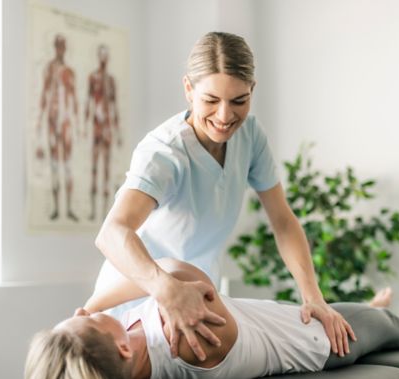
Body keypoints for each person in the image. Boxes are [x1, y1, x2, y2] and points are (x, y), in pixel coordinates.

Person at [91, 31, 356, 363]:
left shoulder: (251, 136)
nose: (225, 116)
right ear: (189, 89)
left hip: (198, 297)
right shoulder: (164, 152)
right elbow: (112, 233)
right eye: (210, 100)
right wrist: (166, 290)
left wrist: (313, 297)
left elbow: (283, 221)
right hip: (139, 300)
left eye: (239, 101)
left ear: (252, 91)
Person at [25, 258, 399, 379]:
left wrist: (92, 314)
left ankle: (370, 306)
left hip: (278, 317)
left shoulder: (129, 351)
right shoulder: (191, 340)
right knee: (391, 329)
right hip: (318, 342)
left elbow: (157, 280)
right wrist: (95, 302)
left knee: (366, 311)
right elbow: (177, 270)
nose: (84, 311)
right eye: (84, 319)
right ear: (121, 347)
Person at [36, 34, 80, 222]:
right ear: (55, 47)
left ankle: (68, 208)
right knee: (55, 165)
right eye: (58, 45)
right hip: (53, 121)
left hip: (66, 123)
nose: (60, 49)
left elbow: (74, 98)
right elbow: (44, 96)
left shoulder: (69, 72)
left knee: (68, 166)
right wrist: (39, 123)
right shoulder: (50, 69)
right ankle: (56, 207)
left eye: (63, 45)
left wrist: (78, 125)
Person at [84, 44, 121, 221]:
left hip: (107, 127)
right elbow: (88, 102)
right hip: (97, 126)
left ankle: (105, 213)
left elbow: (114, 107)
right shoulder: (93, 78)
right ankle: (92, 211)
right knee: (94, 168)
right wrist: (84, 127)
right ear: (99, 57)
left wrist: (117, 131)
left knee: (106, 169)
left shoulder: (111, 80)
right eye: (102, 55)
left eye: (107, 56)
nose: (104, 59)